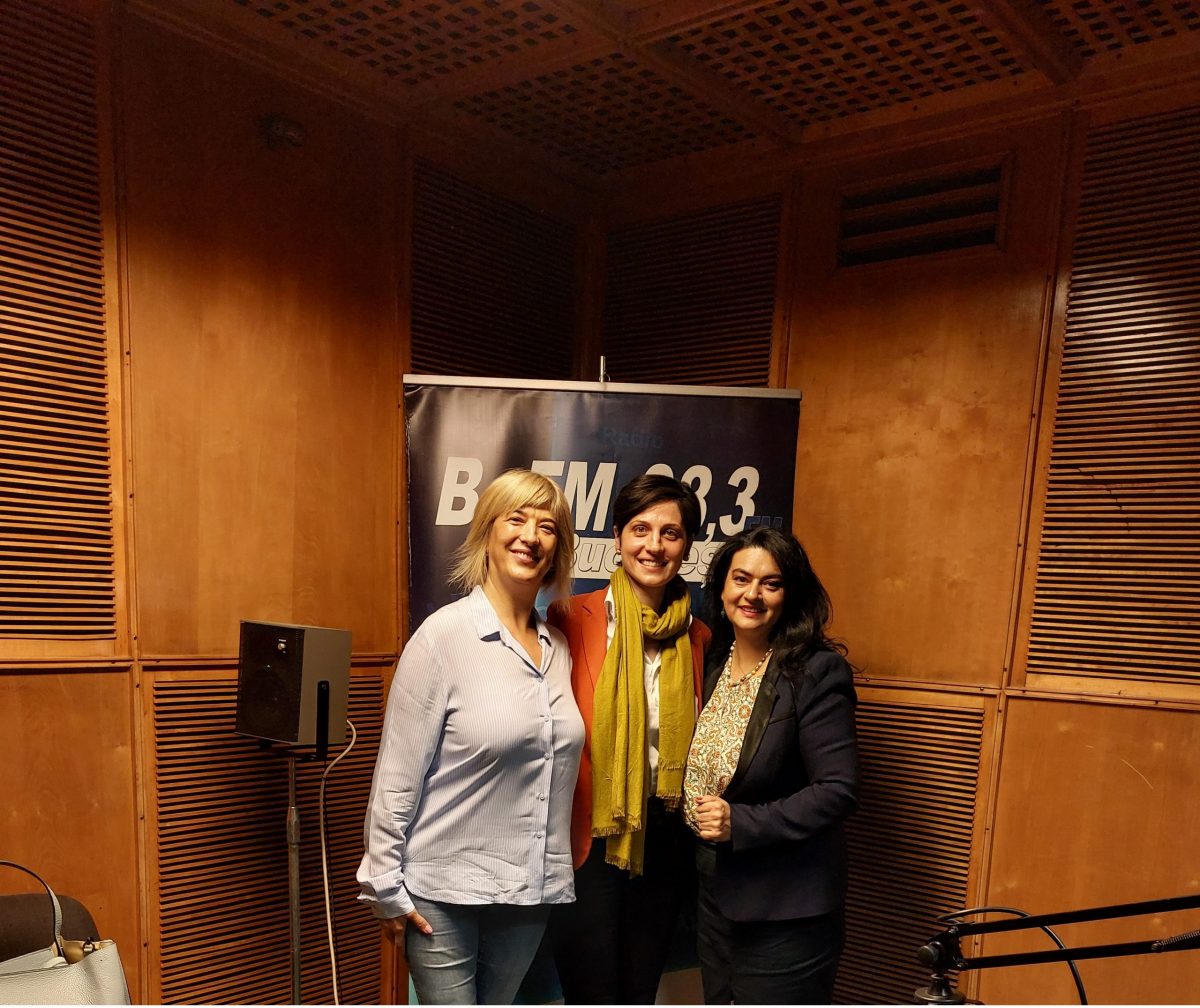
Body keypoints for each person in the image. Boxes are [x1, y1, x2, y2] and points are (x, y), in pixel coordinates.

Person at [357, 468, 584, 1005]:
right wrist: (384, 883)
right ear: (487, 531)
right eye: (516, 519)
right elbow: (397, 775)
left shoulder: (559, 649)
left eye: (547, 527)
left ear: (558, 549)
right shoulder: (442, 637)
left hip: (529, 890)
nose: (530, 536)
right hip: (442, 892)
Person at [545, 473, 711, 1004]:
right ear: (617, 537)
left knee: (639, 990)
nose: (654, 546)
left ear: (687, 545)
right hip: (590, 833)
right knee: (590, 991)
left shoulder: (699, 635)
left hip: (666, 835)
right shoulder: (570, 618)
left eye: (670, 532)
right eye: (641, 529)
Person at [683, 526, 859, 1005]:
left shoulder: (816, 671)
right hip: (716, 900)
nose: (752, 595)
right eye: (741, 578)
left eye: (771, 583)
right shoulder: (711, 664)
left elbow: (837, 789)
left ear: (789, 595)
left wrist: (741, 822)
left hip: (787, 910)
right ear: (721, 587)